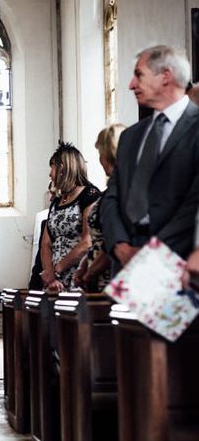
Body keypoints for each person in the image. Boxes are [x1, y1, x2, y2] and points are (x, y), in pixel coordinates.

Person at [101, 45, 199, 270]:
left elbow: (193, 204)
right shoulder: (130, 137)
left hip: (177, 261)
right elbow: (111, 198)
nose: (131, 85)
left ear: (166, 76)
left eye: (139, 75)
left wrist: (152, 251)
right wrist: (119, 244)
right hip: (126, 262)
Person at [40, 143, 100, 292]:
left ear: (64, 168)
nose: (50, 174)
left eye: (52, 167)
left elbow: (87, 241)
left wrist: (57, 270)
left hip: (79, 277)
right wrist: (50, 276)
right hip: (54, 282)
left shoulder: (89, 195)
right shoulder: (57, 201)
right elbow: (46, 243)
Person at [73, 124, 126, 292]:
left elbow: (115, 243)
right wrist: (84, 264)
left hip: (110, 282)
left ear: (106, 155)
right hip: (99, 276)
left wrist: (90, 273)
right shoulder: (111, 191)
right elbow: (100, 240)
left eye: (99, 153)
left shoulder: (123, 191)